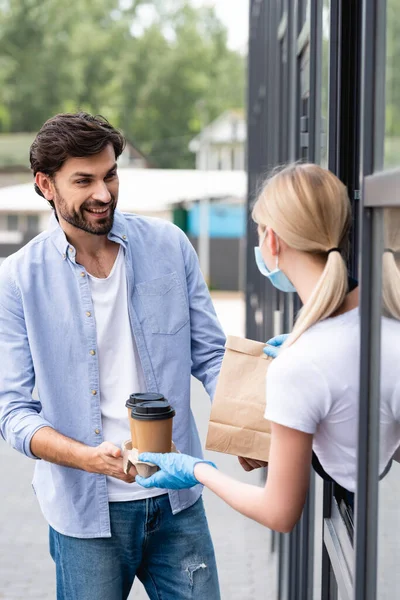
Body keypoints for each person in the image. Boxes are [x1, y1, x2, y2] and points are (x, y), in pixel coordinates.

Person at [0, 112, 226, 600]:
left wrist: (247, 424)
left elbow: (211, 355)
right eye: (83, 181)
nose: (103, 193)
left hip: (178, 496)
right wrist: (86, 459)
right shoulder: (18, 279)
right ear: (46, 185)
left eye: (110, 175)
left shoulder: (169, 245)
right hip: (85, 515)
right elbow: (12, 411)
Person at [135, 163, 400, 533]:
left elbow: (279, 513)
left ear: (272, 241)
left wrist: (198, 471)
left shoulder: (300, 365)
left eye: (260, 233)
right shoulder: (384, 313)